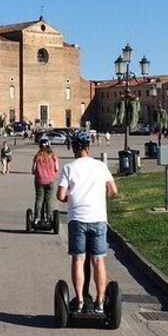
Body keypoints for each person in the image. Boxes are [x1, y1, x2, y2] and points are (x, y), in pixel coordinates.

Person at [56, 131, 117, 313]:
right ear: (88, 147)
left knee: (78, 259)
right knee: (98, 260)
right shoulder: (100, 166)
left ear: (74, 148)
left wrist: (72, 199)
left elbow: (60, 196)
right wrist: (100, 196)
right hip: (98, 218)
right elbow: (113, 190)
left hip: (78, 219)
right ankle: (99, 301)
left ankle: (81, 300)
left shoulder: (69, 167)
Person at [31, 139, 59, 223]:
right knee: (48, 199)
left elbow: (33, 170)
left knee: (39, 199)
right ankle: (49, 218)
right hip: (50, 181)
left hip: (39, 181)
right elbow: (57, 168)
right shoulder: (53, 156)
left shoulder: (37, 156)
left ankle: (37, 217)